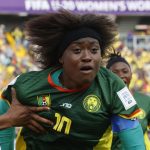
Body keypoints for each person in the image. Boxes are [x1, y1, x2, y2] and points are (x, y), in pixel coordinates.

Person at [1, 9, 145, 150]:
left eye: (94, 50)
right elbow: (5, 121)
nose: (87, 57)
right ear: (61, 57)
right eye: (77, 50)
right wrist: (8, 120)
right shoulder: (27, 85)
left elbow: (133, 140)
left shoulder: (113, 87)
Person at [106, 51, 150, 150]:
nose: (121, 75)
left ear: (131, 74)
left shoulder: (146, 101)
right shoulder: (102, 102)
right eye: (114, 73)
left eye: (125, 71)